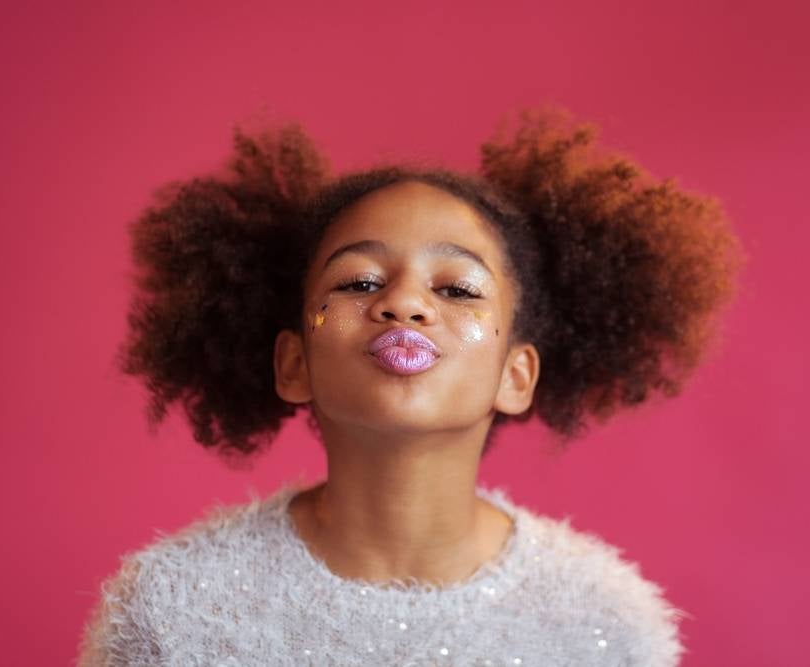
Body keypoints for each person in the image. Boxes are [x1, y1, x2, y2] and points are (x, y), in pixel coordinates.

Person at [76, 105, 744, 665]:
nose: (405, 304)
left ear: (516, 375)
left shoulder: (607, 621)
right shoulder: (171, 610)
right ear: (294, 363)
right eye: (360, 281)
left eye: (455, 288)